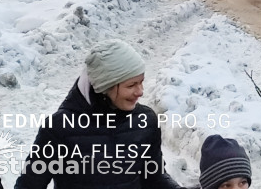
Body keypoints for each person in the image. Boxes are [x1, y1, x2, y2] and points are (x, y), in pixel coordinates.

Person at [14, 39, 181, 188]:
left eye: (141, 82)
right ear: (104, 87)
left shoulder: (145, 121)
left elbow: (154, 177)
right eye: (131, 85)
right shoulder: (59, 129)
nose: (140, 92)